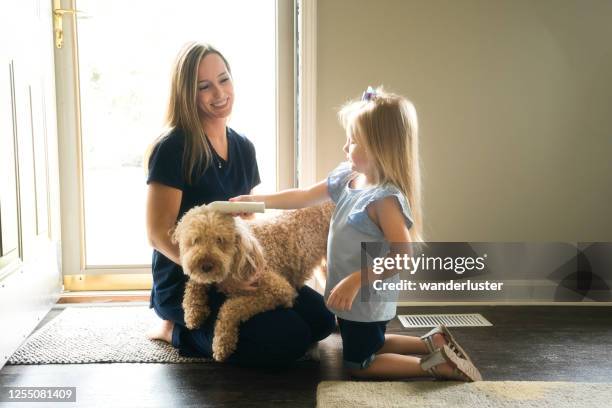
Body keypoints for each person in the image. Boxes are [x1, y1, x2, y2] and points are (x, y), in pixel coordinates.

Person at [231, 86, 482, 380]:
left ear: (379, 148)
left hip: (366, 294)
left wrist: (356, 279)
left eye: (352, 142)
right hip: (354, 295)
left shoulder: (383, 200)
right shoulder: (348, 178)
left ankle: (434, 366)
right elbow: (302, 196)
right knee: (368, 341)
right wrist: (255, 202)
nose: (344, 148)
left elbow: (403, 256)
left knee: (359, 364)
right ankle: (430, 342)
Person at [144, 42, 335, 366]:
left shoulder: (243, 147)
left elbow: (245, 223)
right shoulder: (174, 148)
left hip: (237, 266)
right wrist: (220, 279)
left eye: (223, 79)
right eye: (204, 86)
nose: (218, 93)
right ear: (186, 94)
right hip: (191, 280)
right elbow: (157, 234)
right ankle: (174, 329)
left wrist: (250, 250)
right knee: (285, 339)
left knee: (321, 321)